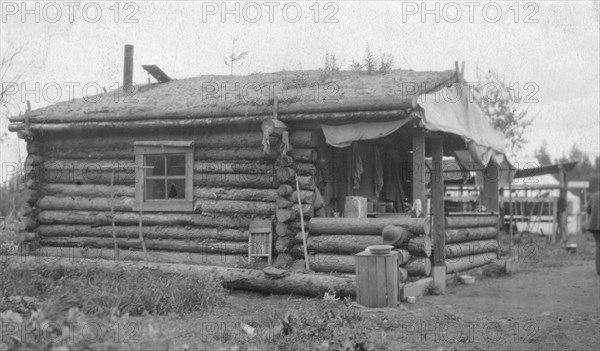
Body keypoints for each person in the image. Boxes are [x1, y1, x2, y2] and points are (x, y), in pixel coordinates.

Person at [586, 191, 600, 275]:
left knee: (598, 245)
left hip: (595, 225)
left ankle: (599, 270)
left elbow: (588, 210)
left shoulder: (593, 195)